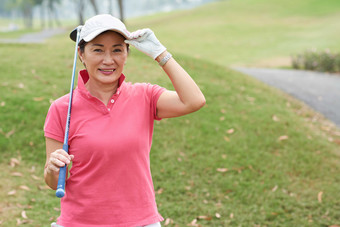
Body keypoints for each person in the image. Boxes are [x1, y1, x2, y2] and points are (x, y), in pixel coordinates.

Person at [44, 14, 205, 227]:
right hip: (80, 222)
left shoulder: (145, 96)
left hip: (140, 222)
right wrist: (52, 169)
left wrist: (160, 54)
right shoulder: (62, 108)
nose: (108, 60)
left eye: (117, 50)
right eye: (98, 49)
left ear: (127, 54)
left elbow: (194, 101)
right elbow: (54, 183)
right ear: (81, 54)